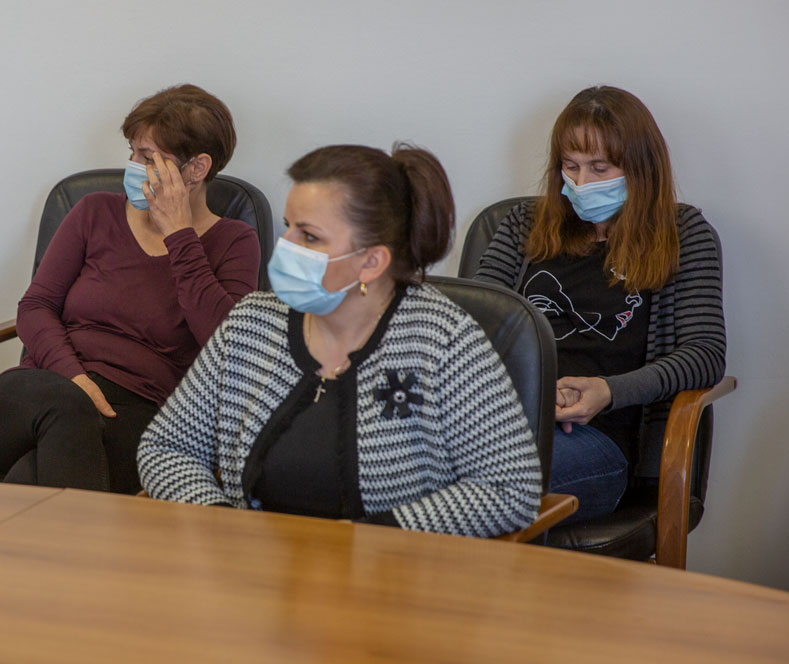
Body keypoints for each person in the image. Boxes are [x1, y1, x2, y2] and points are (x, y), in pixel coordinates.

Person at [137, 143, 541, 537]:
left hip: (392, 571)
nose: (285, 246)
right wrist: (221, 522)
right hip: (254, 570)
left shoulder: (444, 340)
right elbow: (166, 446)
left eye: (310, 236)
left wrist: (372, 539)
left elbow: (511, 489)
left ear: (371, 262)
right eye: (289, 226)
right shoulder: (251, 322)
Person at [0, 84, 260, 494]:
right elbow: (36, 306)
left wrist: (179, 235)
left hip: (137, 413)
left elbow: (228, 347)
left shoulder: (233, 241)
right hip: (41, 389)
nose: (132, 166)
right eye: (133, 152)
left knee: (34, 475)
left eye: (147, 157)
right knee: (68, 411)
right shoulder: (94, 212)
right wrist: (74, 377)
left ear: (197, 168)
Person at [475, 86, 726, 522]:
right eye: (570, 166)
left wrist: (607, 392)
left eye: (599, 167)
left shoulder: (683, 235)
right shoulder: (523, 226)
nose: (581, 182)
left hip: (600, 439)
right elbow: (474, 326)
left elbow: (704, 355)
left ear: (640, 167)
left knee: (485, 480)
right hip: (505, 419)